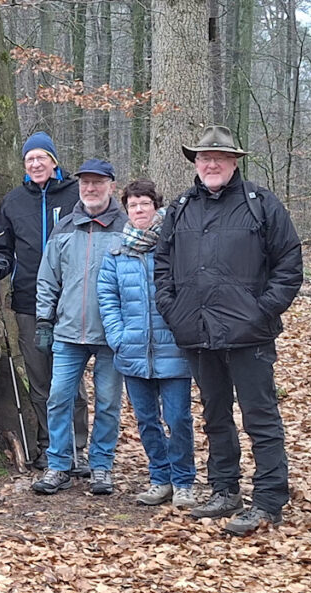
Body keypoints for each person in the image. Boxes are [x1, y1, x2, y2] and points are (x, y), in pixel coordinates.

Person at [156, 125, 302, 536]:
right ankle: (225, 490)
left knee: (260, 418)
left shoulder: (261, 204)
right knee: (215, 415)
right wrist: (173, 310)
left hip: (249, 334)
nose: (212, 164)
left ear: (234, 162)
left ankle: (269, 500)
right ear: (196, 163)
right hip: (197, 331)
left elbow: (289, 264)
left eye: (220, 157)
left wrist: (262, 311)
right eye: (205, 158)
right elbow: (162, 266)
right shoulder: (182, 208)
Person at [0, 132, 90, 473]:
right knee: (40, 378)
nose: (35, 164)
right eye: (29, 159)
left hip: (72, 301)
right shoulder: (14, 201)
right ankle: (50, 446)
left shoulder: (76, 195)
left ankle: (77, 447)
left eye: (41, 157)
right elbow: (2, 246)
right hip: (29, 302)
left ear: (53, 161)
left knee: (71, 379)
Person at [32, 159, 128, 497]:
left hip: (111, 334)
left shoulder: (125, 228)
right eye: (85, 182)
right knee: (59, 398)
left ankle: (101, 465)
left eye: (98, 182)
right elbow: (48, 278)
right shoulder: (64, 228)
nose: (91, 188)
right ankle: (59, 464)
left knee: (108, 403)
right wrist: (44, 320)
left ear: (111, 186)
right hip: (68, 331)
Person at [97, 179, 196, 508]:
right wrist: (118, 337)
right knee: (147, 420)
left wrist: (184, 332)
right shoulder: (117, 252)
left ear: (156, 206)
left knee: (178, 419)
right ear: (126, 210)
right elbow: (107, 298)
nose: (139, 210)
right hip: (133, 351)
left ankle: (183, 482)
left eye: (145, 204)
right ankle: (160, 478)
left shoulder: (174, 244)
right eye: (133, 205)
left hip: (174, 350)